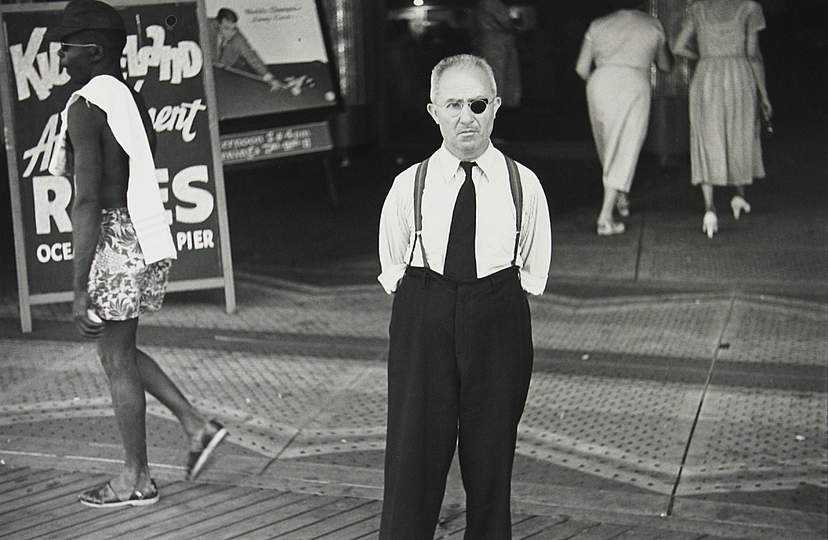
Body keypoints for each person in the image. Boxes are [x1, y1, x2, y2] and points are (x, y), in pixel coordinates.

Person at [48, 0, 227, 508]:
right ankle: (196, 426)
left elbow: (86, 200)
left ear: (95, 50)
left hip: (112, 241)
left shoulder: (86, 106)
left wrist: (79, 285)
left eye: (67, 48)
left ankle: (135, 478)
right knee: (117, 352)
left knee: (115, 360)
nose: (62, 58)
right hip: (144, 234)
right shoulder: (129, 97)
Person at [377, 54, 552, 540]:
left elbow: (532, 266)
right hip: (423, 307)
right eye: (452, 104)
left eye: (477, 104)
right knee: (412, 453)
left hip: (498, 313)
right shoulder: (408, 185)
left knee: (491, 456)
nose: (465, 117)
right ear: (433, 111)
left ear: (495, 106)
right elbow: (393, 263)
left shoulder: (524, 186)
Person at [672, 0, 772, 238]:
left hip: (706, 75)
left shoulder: (697, 8)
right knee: (741, 132)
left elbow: (677, 47)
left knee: (707, 137)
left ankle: (709, 209)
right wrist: (764, 94)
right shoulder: (750, 8)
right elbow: (753, 55)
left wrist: (703, 56)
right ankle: (739, 196)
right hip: (739, 75)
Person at [575, 2, 672, 236]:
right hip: (633, 83)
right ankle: (605, 218)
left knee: (607, 146)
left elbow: (581, 67)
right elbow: (665, 65)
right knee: (626, 147)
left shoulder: (599, 24)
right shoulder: (652, 25)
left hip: (600, 82)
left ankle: (620, 197)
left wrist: (599, 84)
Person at [208, 7, 282, 91]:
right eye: (226, 28)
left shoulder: (237, 38)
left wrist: (270, 79)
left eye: (233, 29)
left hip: (222, 78)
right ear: (217, 25)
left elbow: (252, 57)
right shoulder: (206, 26)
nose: (230, 33)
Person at [471, 0, 522, 108]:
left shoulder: (481, 4)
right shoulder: (491, 3)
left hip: (489, 42)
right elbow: (505, 21)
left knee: (493, 72)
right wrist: (516, 21)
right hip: (498, 43)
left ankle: (495, 101)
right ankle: (501, 102)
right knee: (500, 73)